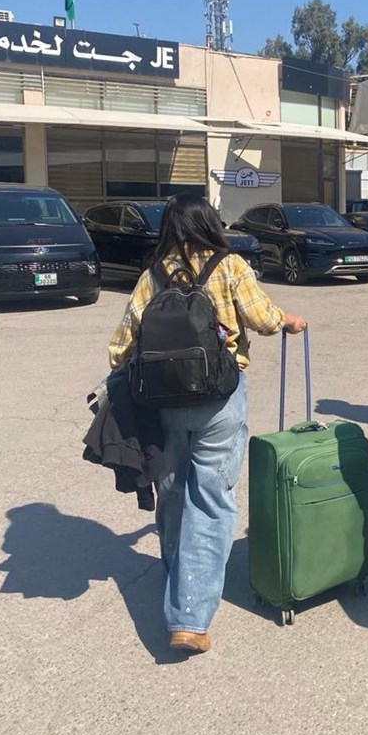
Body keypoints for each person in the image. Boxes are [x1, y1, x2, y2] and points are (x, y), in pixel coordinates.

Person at [108, 194, 306, 655]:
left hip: (162, 402)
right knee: (212, 498)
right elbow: (262, 318)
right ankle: (190, 616)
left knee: (173, 489)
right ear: (209, 225)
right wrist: (289, 322)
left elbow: (120, 348)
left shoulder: (153, 273)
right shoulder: (230, 265)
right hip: (219, 398)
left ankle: (179, 576)